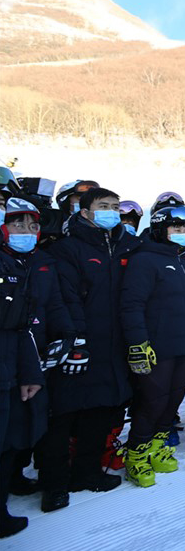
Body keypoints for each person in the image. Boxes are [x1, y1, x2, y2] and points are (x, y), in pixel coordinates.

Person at [41, 187, 139, 512]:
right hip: (79, 343)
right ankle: (54, 484)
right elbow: (65, 296)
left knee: (101, 409)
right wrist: (75, 339)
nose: (111, 211)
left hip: (113, 343)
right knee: (63, 414)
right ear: (84, 212)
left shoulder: (126, 245)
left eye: (115, 206)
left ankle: (87, 472)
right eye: (103, 206)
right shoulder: (68, 248)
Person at [118, 205, 185, 487]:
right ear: (159, 229)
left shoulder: (184, 259)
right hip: (157, 347)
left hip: (184, 345)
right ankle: (136, 454)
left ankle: (157, 446)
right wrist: (138, 343)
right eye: (176, 228)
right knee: (153, 401)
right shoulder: (144, 259)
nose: (182, 233)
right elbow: (132, 305)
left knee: (174, 398)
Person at [0, 198, 55, 538]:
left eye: (32, 226)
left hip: (13, 369)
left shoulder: (23, 265)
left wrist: (30, 374)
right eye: (17, 224)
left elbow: (21, 328)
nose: (26, 231)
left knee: (9, 441)